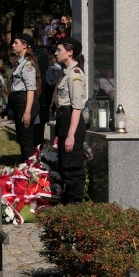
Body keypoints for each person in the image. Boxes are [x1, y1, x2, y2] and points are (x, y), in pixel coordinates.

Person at [53, 38, 88, 204]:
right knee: (64, 164)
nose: (56, 53)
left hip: (71, 120)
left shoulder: (75, 74)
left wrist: (71, 135)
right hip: (63, 119)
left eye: (59, 50)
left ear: (70, 52)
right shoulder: (66, 72)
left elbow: (77, 107)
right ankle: (68, 200)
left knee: (72, 166)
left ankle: (75, 204)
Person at [10, 34, 41, 160]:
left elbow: (30, 89)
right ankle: (26, 168)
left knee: (26, 139)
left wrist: (27, 111)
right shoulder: (20, 62)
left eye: (16, 43)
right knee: (21, 138)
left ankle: (30, 170)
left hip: (25, 102)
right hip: (19, 101)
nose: (13, 45)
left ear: (24, 45)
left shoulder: (28, 64)